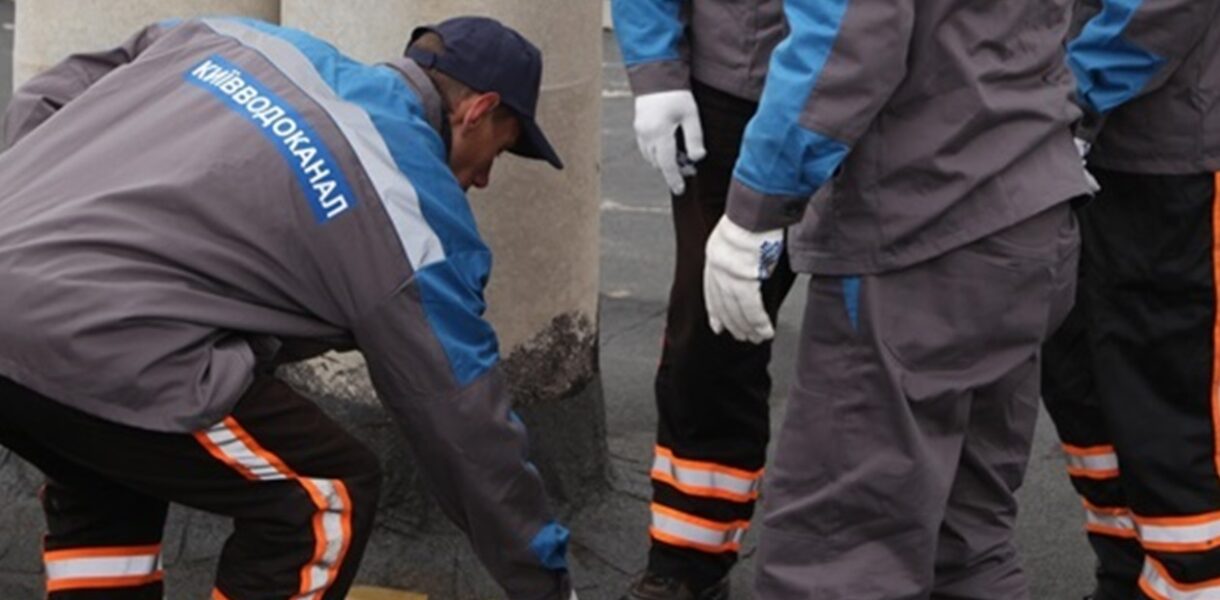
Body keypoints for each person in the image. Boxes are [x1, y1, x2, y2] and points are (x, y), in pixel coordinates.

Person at [0, 15, 577, 600]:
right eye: (497, 153)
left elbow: (47, 95)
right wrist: (543, 583)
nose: (481, 179)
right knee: (326, 494)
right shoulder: (409, 199)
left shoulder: (234, 39)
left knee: (109, 466)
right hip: (105, 338)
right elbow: (462, 420)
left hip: (21, 295)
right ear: (478, 110)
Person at [702, 0, 1095, 596]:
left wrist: (754, 206)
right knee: (967, 534)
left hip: (921, 230)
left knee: (839, 550)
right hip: (1028, 205)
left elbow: (846, 40)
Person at [609, 1, 795, 598]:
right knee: (712, 334)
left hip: (897, 102)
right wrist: (656, 66)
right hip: (737, 92)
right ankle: (688, 562)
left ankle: (885, 554)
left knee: (886, 341)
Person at [1040, 0, 1220, 597]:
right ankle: (1126, 576)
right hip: (1083, 142)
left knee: (1170, 406)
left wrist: (1070, 99)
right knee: (1085, 386)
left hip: (1170, 156)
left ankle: (1191, 582)